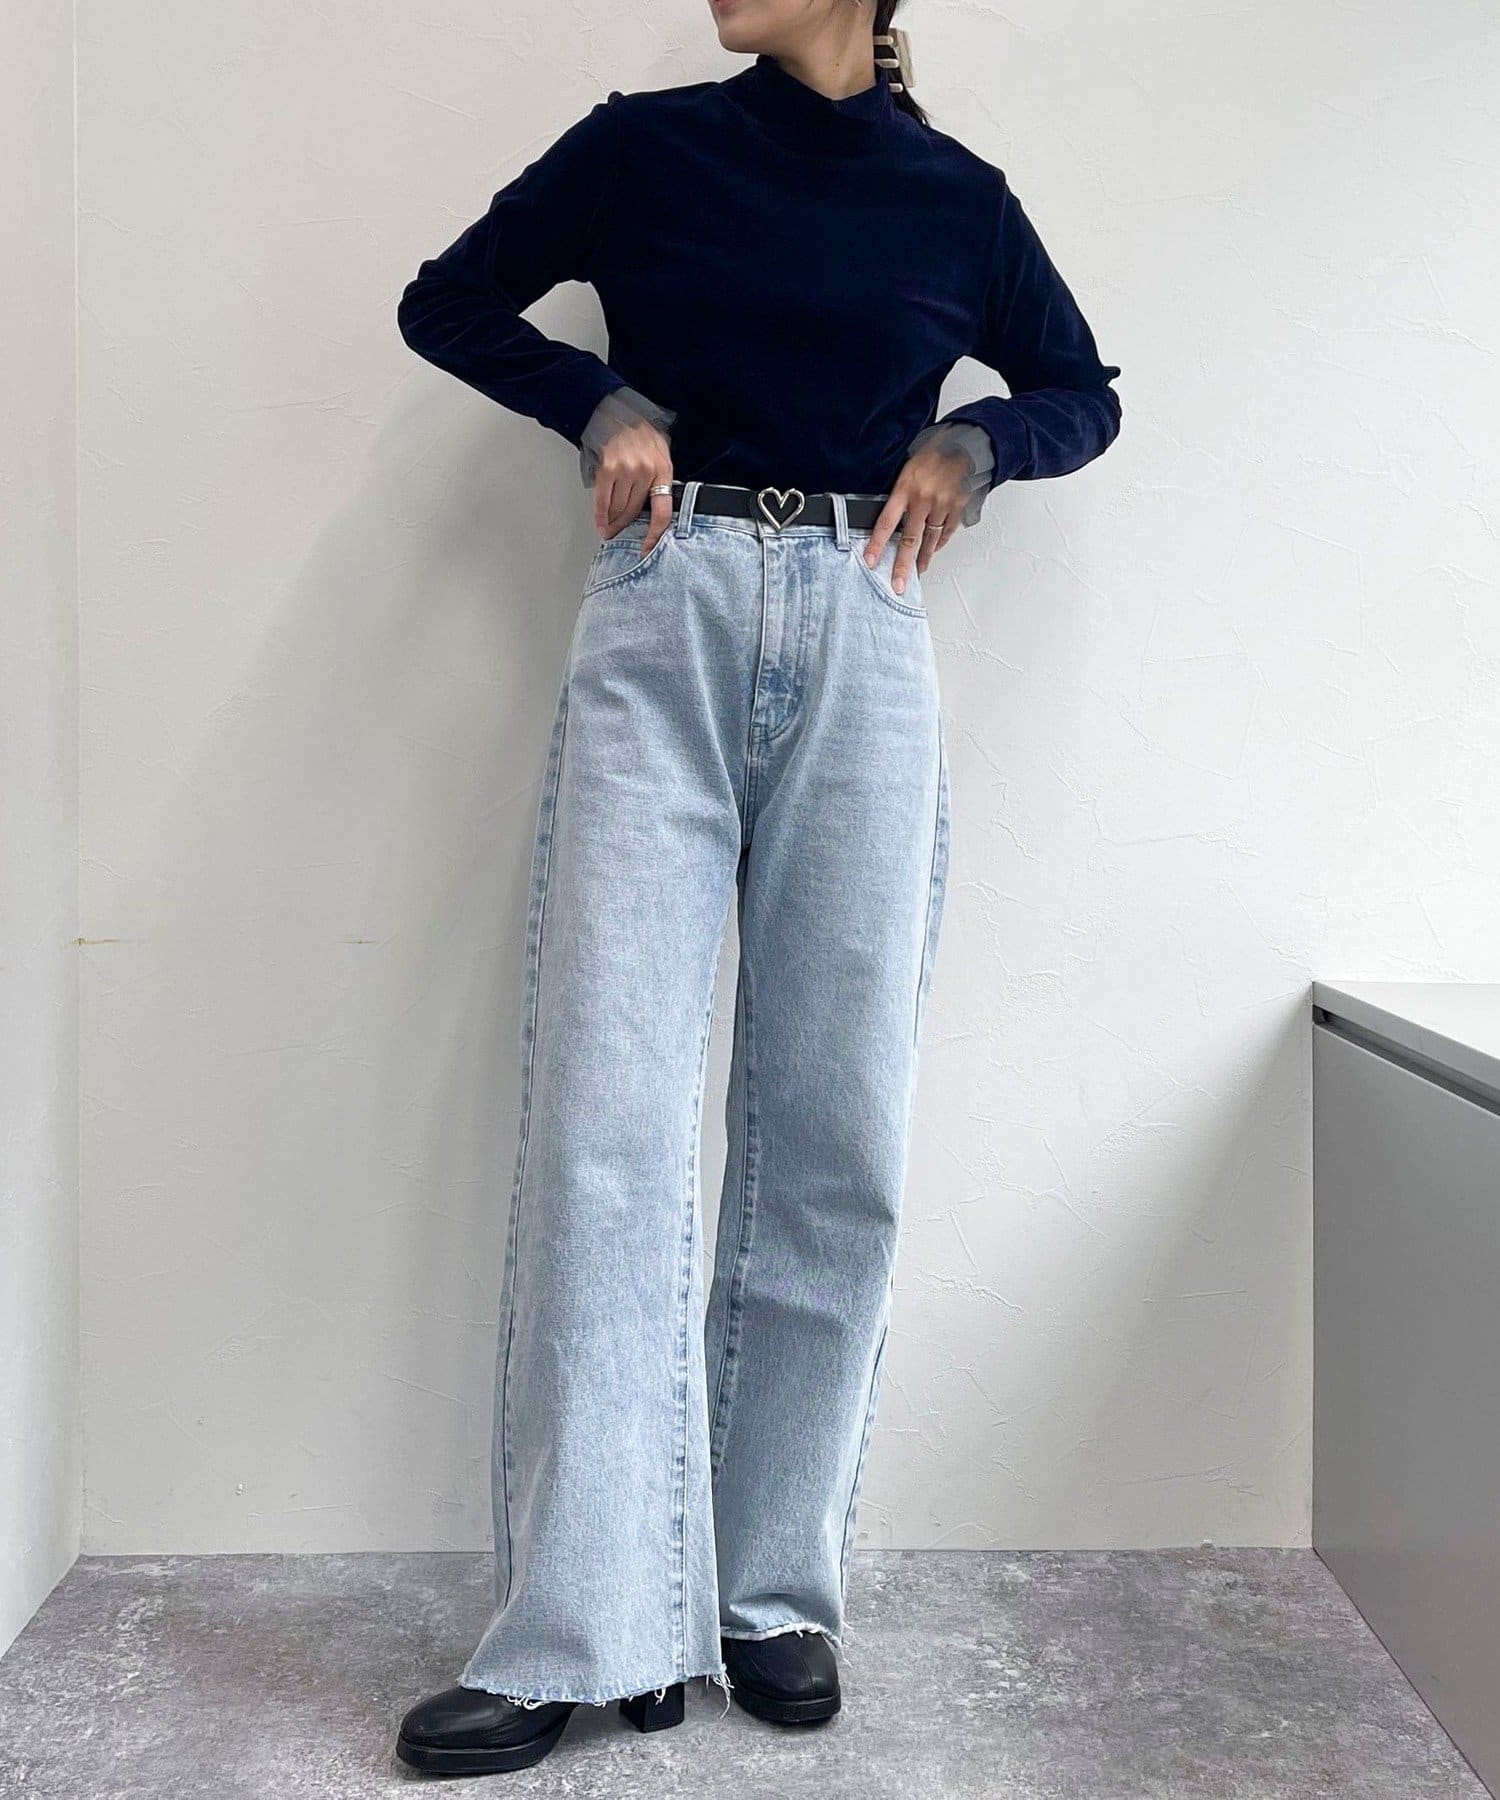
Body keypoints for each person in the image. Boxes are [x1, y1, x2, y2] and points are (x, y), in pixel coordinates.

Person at [392, 0, 1120, 1777]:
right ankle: (582, 1624)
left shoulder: (957, 200)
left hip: (868, 622)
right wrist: (595, 401)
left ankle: (771, 1592)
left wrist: (976, 446)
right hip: (668, 603)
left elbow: (1083, 390)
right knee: (609, 1121)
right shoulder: (647, 148)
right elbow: (449, 299)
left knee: (832, 1125)